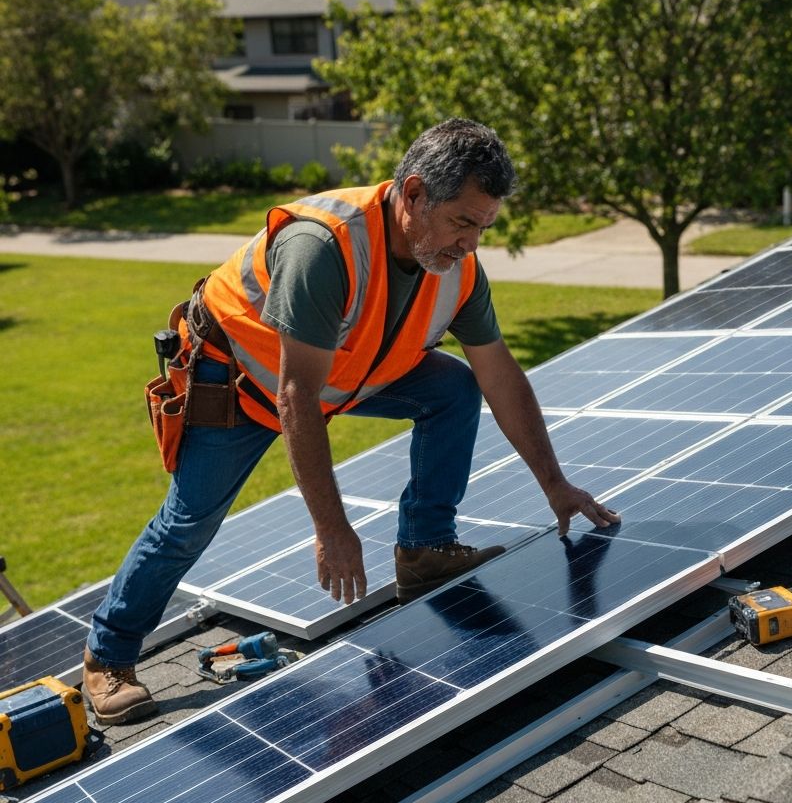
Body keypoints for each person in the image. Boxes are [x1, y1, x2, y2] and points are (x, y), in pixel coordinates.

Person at [83, 118, 620, 724]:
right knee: (190, 521)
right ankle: (109, 654)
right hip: (238, 382)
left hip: (351, 369)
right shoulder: (325, 247)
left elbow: (501, 377)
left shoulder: (457, 267)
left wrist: (555, 484)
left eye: (484, 227)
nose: (470, 243)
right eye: (463, 222)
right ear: (414, 194)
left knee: (453, 388)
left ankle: (425, 549)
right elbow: (295, 396)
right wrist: (332, 528)